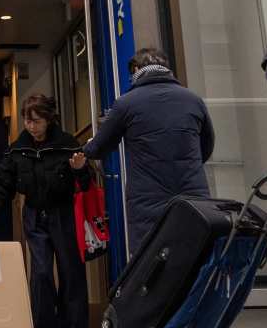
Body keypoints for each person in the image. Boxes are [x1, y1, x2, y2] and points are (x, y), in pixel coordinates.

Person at [0, 94, 89, 328]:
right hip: (34, 214)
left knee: (70, 272)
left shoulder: (67, 144)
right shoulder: (17, 149)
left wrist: (80, 168)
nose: (31, 126)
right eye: (27, 121)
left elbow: (86, 183)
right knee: (40, 274)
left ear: (49, 119)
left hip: (63, 213)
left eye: (36, 121)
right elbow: (3, 182)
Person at [82, 47, 214, 258]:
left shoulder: (126, 103)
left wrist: (87, 147)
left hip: (148, 201)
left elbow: (98, 148)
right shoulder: (193, 100)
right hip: (193, 197)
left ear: (136, 69)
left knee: (151, 262)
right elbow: (206, 147)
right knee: (192, 257)